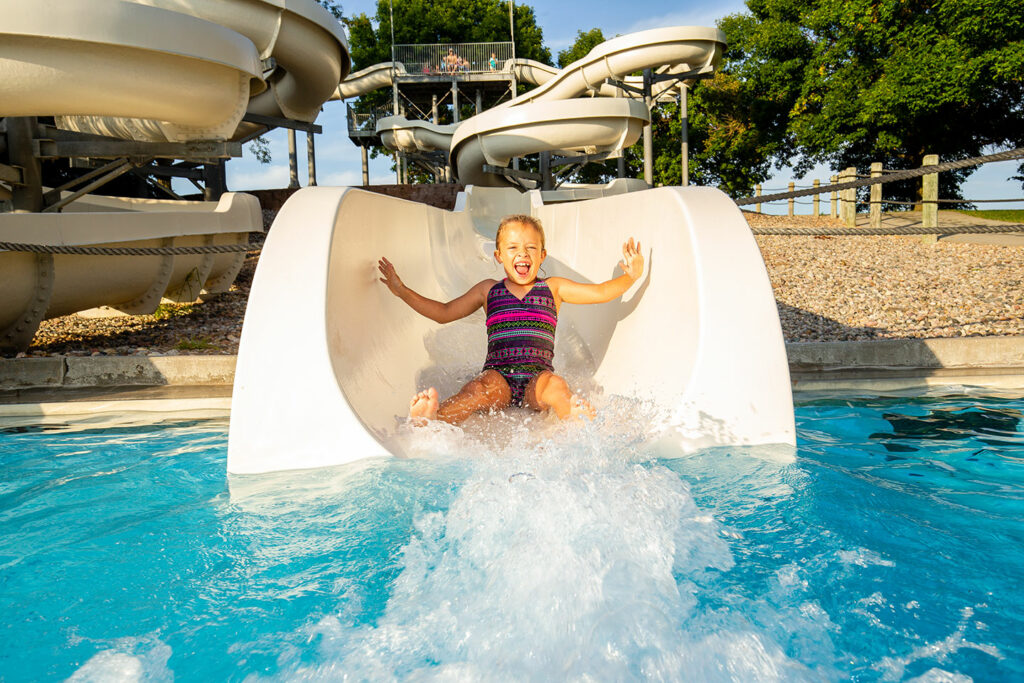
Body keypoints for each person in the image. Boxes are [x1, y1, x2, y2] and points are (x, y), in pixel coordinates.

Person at [378, 214, 645, 425]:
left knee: (557, 387)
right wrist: (402, 291)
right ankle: (434, 418)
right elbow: (444, 312)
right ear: (499, 256)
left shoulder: (553, 288)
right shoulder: (488, 290)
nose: (523, 253)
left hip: (536, 379)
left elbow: (600, 293)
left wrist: (630, 277)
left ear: (542, 255)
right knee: (477, 389)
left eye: (531, 247)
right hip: (499, 378)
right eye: (513, 247)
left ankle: (576, 417)